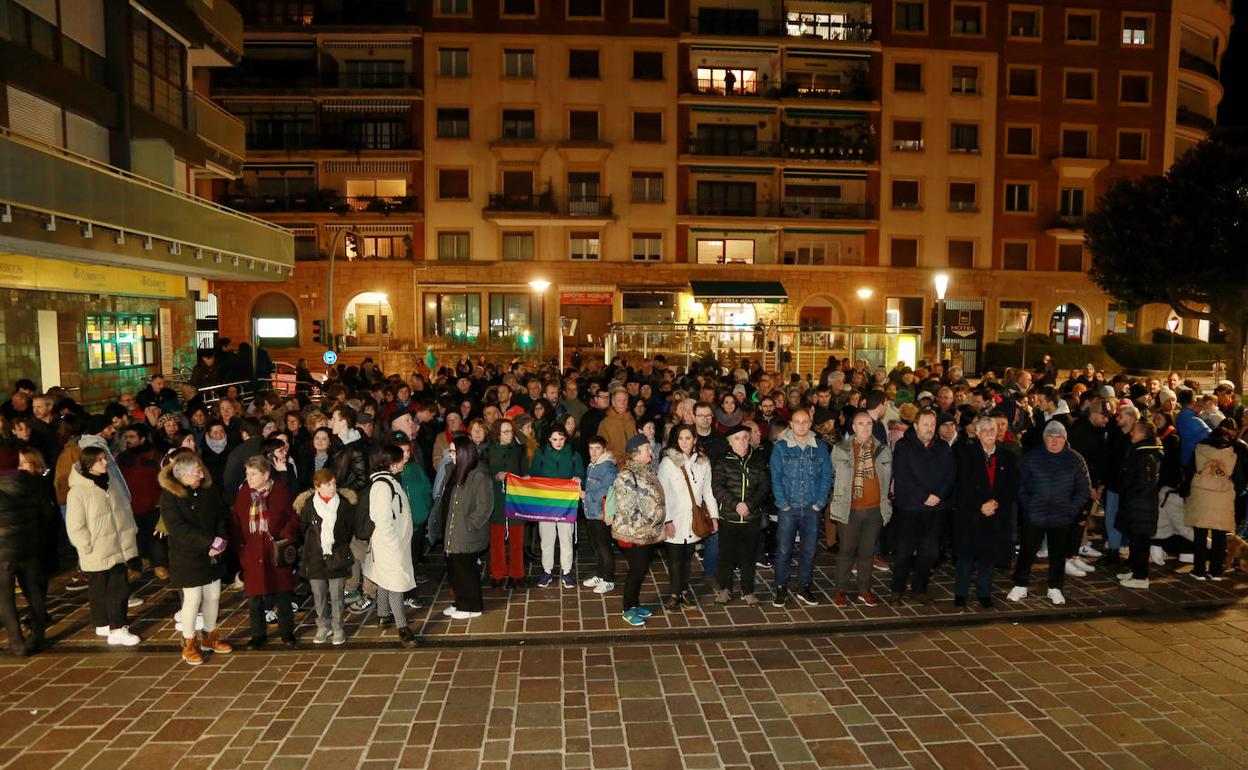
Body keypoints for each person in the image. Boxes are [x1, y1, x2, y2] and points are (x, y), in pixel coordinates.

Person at [159, 450, 233, 665]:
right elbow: (178, 528)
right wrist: (208, 542)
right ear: (183, 476)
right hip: (187, 555)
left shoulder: (207, 490)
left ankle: (210, 636)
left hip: (212, 554)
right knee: (192, 599)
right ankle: (189, 642)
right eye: (196, 473)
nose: (201, 475)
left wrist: (221, 540)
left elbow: (220, 515)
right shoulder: (170, 496)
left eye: (200, 471)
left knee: (213, 596)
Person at [1010, 421, 1091, 606]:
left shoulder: (1075, 460)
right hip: (1035, 514)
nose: (1055, 441)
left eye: (1059, 437)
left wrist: (1072, 509)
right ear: (1044, 438)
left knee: (1058, 554)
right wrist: (1028, 505)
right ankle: (1020, 585)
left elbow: (1084, 489)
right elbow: (1020, 484)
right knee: (1027, 551)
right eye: (1051, 437)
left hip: (1062, 515)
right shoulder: (1032, 458)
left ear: (1065, 439)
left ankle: (1055, 587)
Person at [66, 446, 141, 646]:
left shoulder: (112, 482)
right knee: (101, 589)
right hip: (97, 549)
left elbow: (125, 511)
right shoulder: (78, 492)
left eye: (104, 458)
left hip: (119, 546)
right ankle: (114, 629)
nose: (105, 462)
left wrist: (131, 532)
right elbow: (75, 526)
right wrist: (87, 547)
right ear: (89, 464)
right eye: (99, 460)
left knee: (119, 588)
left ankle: (111, 625)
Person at [230, 456, 299, 648]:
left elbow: (293, 517)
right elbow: (236, 520)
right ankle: (258, 634)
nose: (249, 478)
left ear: (266, 475)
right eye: (247, 473)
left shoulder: (280, 491)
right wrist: (241, 549)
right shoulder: (244, 492)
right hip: (252, 552)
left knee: (282, 594)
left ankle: (286, 632)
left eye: (253, 474)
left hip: (274, 550)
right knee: (254, 598)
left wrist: (285, 536)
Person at [888, 409, 955, 605]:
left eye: (932, 425)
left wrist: (938, 495)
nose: (929, 429)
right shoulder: (904, 446)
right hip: (910, 507)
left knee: (930, 552)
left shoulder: (943, 447)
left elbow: (951, 474)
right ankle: (897, 590)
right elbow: (902, 476)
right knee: (904, 552)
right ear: (916, 426)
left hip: (935, 509)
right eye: (925, 424)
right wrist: (924, 496)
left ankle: (919, 588)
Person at [769, 408, 833, 607]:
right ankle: (781, 587)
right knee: (784, 550)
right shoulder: (781, 448)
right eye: (797, 422)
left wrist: (820, 503)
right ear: (791, 424)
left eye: (805, 421)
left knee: (809, 550)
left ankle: (804, 586)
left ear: (810, 423)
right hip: (789, 508)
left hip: (812, 508)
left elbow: (826, 476)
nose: (802, 425)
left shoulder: (820, 447)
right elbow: (776, 477)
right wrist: (782, 503)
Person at [829, 411, 893, 608]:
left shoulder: (883, 450)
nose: (865, 427)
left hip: (874, 510)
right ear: (853, 427)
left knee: (867, 553)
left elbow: (888, 478)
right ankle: (840, 590)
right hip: (849, 510)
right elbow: (833, 476)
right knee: (846, 551)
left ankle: (864, 590)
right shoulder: (840, 449)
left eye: (868, 423)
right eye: (860, 423)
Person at [953, 416, 1019, 608]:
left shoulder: (1007, 456)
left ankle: (984, 594)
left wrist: (995, 503)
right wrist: (980, 505)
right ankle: (960, 594)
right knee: (966, 556)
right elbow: (962, 485)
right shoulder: (965, 455)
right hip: (970, 513)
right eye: (985, 430)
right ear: (977, 433)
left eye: (993, 429)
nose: (990, 433)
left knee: (988, 557)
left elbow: (1012, 486)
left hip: (995, 514)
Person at [657, 425, 719, 611]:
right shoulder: (668, 462)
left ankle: (684, 591)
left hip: (693, 520)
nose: (684, 442)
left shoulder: (703, 463)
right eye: (681, 438)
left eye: (688, 438)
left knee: (687, 559)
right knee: (675, 560)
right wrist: (667, 520)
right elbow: (662, 494)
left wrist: (714, 516)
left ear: (695, 440)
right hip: (674, 519)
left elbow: (708, 491)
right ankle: (674, 594)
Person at [362, 445, 419, 645]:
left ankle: (383, 615)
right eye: (401, 458)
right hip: (389, 544)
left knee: (384, 578)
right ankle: (402, 628)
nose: (404, 461)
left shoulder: (389, 481)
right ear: (392, 463)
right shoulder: (382, 486)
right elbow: (382, 520)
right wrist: (395, 544)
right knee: (396, 584)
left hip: (394, 543)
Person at [710, 424, 770, 605]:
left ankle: (748, 590)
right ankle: (724, 588)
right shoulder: (722, 460)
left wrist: (749, 505)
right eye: (737, 438)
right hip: (729, 516)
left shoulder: (758, 460)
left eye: (745, 437)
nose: (742, 442)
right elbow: (717, 487)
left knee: (749, 556)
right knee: (726, 555)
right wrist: (735, 504)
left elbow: (764, 487)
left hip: (751, 517)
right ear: (730, 442)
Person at [294, 469, 355, 646]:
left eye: (334, 483)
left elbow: (348, 529)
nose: (332, 487)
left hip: (337, 555)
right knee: (319, 594)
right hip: (315, 557)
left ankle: (338, 627)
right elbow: (303, 529)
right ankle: (323, 625)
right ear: (317, 487)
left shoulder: (343, 505)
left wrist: (339, 545)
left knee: (337, 595)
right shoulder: (308, 506)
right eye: (328, 484)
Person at [612, 434, 666, 627]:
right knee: (637, 570)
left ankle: (635, 604)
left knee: (641, 569)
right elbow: (628, 509)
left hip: (647, 533)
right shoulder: (626, 476)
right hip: (634, 533)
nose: (651, 451)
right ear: (635, 454)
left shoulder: (646, 470)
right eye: (647, 449)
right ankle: (627, 609)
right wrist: (649, 523)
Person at [0, 457, 49, 656]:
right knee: (34, 591)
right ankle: (39, 634)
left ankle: (17, 643)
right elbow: (46, 514)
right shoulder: (32, 481)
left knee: (5, 598)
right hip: (28, 544)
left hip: (3, 550)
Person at [440, 435, 493, 621]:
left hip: (467, 533)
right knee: (455, 569)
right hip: (453, 530)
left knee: (466, 570)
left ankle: (472, 606)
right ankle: (460, 601)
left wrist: (470, 524)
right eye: (450, 451)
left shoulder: (479, 475)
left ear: (464, 453)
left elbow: (484, 506)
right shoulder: (453, 471)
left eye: (454, 451)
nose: (450, 455)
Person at [1184, 419, 1243, 581]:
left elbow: (1188, 470)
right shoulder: (1232, 453)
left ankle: (1199, 570)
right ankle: (1215, 571)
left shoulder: (1199, 450)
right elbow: (1239, 479)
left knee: (1200, 535)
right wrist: (1232, 492)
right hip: (1223, 496)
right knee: (1219, 535)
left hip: (1200, 495)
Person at [530, 427, 585, 589]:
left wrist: (578, 478)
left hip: (566, 504)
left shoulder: (573, 454)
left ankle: (566, 571)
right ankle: (547, 571)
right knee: (547, 538)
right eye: (555, 439)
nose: (558, 442)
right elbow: (533, 474)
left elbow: (581, 473)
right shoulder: (541, 454)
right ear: (549, 439)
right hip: (546, 504)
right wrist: (527, 479)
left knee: (566, 538)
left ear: (566, 438)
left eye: (561, 439)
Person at [117, 423, 168, 580]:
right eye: (126, 437)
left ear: (143, 439)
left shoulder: (155, 456)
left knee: (156, 537)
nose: (128, 440)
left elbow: (164, 478)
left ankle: (159, 565)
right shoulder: (122, 458)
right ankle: (135, 567)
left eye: (132, 437)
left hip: (154, 504)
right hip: (130, 506)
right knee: (133, 538)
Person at [1115, 420, 1161, 589]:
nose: (1131, 433)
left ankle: (1141, 577)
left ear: (1142, 434)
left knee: (1140, 541)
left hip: (1140, 505)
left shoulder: (1144, 455)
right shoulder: (1143, 451)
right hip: (1139, 504)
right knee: (1135, 540)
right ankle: (1135, 570)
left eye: (1134, 431)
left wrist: (1129, 490)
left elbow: (1142, 481)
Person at [484, 419, 528, 589]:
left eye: (511, 431)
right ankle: (498, 574)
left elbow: (525, 470)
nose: (509, 434)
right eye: (505, 432)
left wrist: (526, 478)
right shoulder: (488, 451)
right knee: (497, 541)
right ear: (497, 434)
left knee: (517, 540)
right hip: (497, 500)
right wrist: (496, 477)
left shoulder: (519, 450)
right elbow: (484, 475)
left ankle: (517, 574)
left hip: (515, 500)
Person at [581, 435, 618, 594]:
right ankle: (601, 575)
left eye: (597, 448)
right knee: (596, 546)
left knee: (604, 547)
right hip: (591, 512)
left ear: (604, 449)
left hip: (601, 514)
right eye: (591, 448)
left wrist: (587, 495)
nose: (594, 452)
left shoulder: (607, 466)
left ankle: (608, 580)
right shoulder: (592, 465)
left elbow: (606, 489)